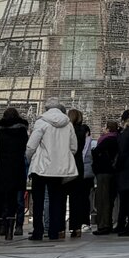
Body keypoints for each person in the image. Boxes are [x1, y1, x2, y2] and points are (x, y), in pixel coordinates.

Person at [26, 103, 76, 241]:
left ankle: (38, 231)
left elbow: (31, 146)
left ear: (46, 109)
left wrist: (31, 159)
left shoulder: (41, 122)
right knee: (55, 200)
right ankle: (54, 231)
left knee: (38, 202)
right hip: (58, 169)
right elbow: (74, 147)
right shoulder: (68, 124)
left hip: (40, 167)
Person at [0, 107, 29, 241]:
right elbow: (25, 147)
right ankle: (10, 231)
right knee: (12, 200)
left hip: (0, 168)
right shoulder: (22, 130)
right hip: (16, 168)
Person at [90, 114, 120, 235]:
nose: (103, 129)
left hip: (103, 172)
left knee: (102, 199)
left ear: (108, 129)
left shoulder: (106, 140)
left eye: (104, 127)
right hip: (115, 172)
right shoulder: (118, 138)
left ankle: (103, 225)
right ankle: (110, 223)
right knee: (111, 199)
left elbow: (96, 152)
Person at [67, 108, 93, 234]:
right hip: (79, 165)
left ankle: (60, 228)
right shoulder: (83, 131)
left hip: (68, 164)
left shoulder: (68, 130)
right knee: (77, 197)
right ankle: (76, 227)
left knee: (61, 196)